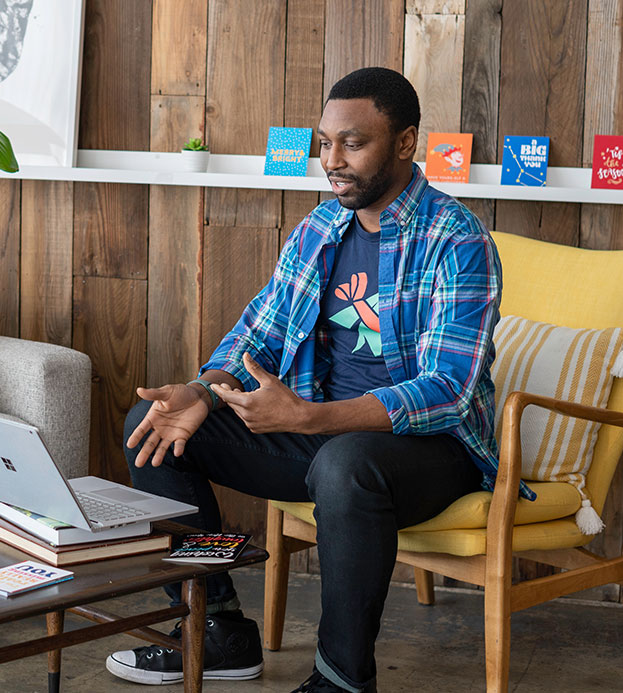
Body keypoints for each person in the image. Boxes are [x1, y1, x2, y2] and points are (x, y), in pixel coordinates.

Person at [105, 67, 502, 693]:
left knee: (345, 465)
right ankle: (218, 629)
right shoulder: (320, 229)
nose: (333, 161)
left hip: (431, 453)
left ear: (405, 143)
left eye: (353, 143)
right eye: (325, 143)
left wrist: (312, 419)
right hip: (317, 437)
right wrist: (204, 389)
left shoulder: (455, 239)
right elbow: (255, 335)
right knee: (150, 427)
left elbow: (448, 388)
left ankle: (340, 679)